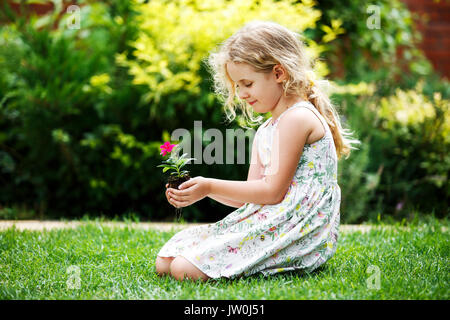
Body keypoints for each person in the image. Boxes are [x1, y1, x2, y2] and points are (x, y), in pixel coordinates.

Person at [155, 21, 360, 282]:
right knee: (166, 262)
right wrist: (201, 193)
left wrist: (209, 186)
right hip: (272, 219)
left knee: (184, 270)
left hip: (297, 230)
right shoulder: (267, 128)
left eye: (247, 83)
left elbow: (272, 192)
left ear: (279, 73)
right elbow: (250, 197)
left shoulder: (297, 119)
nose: (240, 94)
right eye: (236, 86)